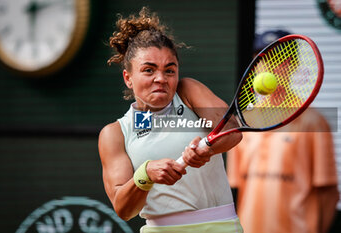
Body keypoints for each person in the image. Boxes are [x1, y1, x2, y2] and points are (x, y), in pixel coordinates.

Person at [98, 7, 244, 233]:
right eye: (149, 70)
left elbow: (232, 131)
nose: (161, 79)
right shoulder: (115, 133)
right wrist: (144, 174)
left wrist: (208, 150)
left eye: (169, 70)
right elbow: (123, 209)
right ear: (128, 78)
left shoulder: (188, 91)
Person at [226, 29, 339, 233]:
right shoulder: (244, 121)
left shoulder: (314, 122)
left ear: (293, 64)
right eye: (261, 58)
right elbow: (234, 190)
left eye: (280, 59)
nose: (270, 66)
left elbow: (328, 192)